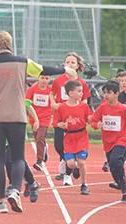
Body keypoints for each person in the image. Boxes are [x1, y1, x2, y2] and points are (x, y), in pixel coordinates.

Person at [0, 30, 76, 213]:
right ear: (10, 44)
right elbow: (44, 69)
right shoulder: (22, 61)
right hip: (17, 116)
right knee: (18, 157)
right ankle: (15, 190)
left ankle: (0, 203)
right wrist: (65, 70)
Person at [50, 52, 90, 181]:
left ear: (78, 65)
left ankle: (67, 171)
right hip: (61, 117)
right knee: (58, 145)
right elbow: (51, 93)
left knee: (74, 144)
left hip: (75, 120)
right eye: (67, 62)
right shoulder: (58, 80)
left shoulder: (81, 83)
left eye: (73, 62)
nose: (70, 64)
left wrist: (79, 106)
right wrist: (53, 103)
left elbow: (85, 100)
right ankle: (67, 162)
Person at [90, 79, 126, 201]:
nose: (106, 95)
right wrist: (97, 125)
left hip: (120, 140)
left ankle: (124, 188)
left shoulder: (123, 109)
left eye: (109, 92)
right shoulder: (102, 107)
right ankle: (121, 183)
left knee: (116, 160)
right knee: (112, 166)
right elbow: (93, 121)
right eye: (104, 92)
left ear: (117, 94)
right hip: (107, 142)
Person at [53, 80, 91, 194]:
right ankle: (76, 169)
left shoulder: (84, 106)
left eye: (82, 91)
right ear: (70, 94)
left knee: (81, 162)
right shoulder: (62, 107)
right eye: (79, 91)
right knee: (70, 164)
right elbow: (55, 121)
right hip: (69, 137)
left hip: (81, 136)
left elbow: (90, 117)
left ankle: (84, 184)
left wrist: (95, 122)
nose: (81, 94)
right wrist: (61, 124)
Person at [25, 74, 52, 171]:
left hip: (45, 118)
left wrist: (52, 118)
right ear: (38, 78)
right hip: (34, 118)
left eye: (47, 78)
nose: (44, 80)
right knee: (37, 138)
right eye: (42, 78)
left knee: (40, 138)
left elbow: (53, 105)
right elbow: (27, 103)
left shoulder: (50, 91)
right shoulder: (32, 90)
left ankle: (39, 161)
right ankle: (44, 149)